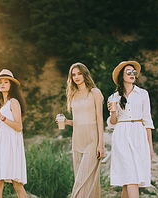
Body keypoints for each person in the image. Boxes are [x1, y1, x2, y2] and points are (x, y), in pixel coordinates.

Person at [107, 61, 154, 198]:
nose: (132, 74)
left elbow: (147, 120)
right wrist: (113, 112)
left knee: (129, 179)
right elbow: (112, 123)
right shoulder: (114, 97)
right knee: (131, 176)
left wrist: (150, 146)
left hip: (139, 135)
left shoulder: (143, 94)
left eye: (134, 72)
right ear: (122, 76)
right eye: (128, 72)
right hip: (121, 136)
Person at [59, 62, 105, 198]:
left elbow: (99, 119)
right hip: (77, 140)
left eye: (79, 73)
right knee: (88, 180)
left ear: (85, 74)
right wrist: (67, 122)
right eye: (73, 75)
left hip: (92, 140)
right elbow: (79, 121)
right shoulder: (72, 95)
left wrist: (101, 145)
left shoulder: (95, 92)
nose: (76, 77)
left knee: (81, 181)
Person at [0, 69, 27, 198]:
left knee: (16, 183)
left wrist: (1, 117)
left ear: (11, 85)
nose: (2, 84)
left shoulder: (13, 102)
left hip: (11, 144)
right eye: (0, 82)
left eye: (6, 82)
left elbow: (19, 127)